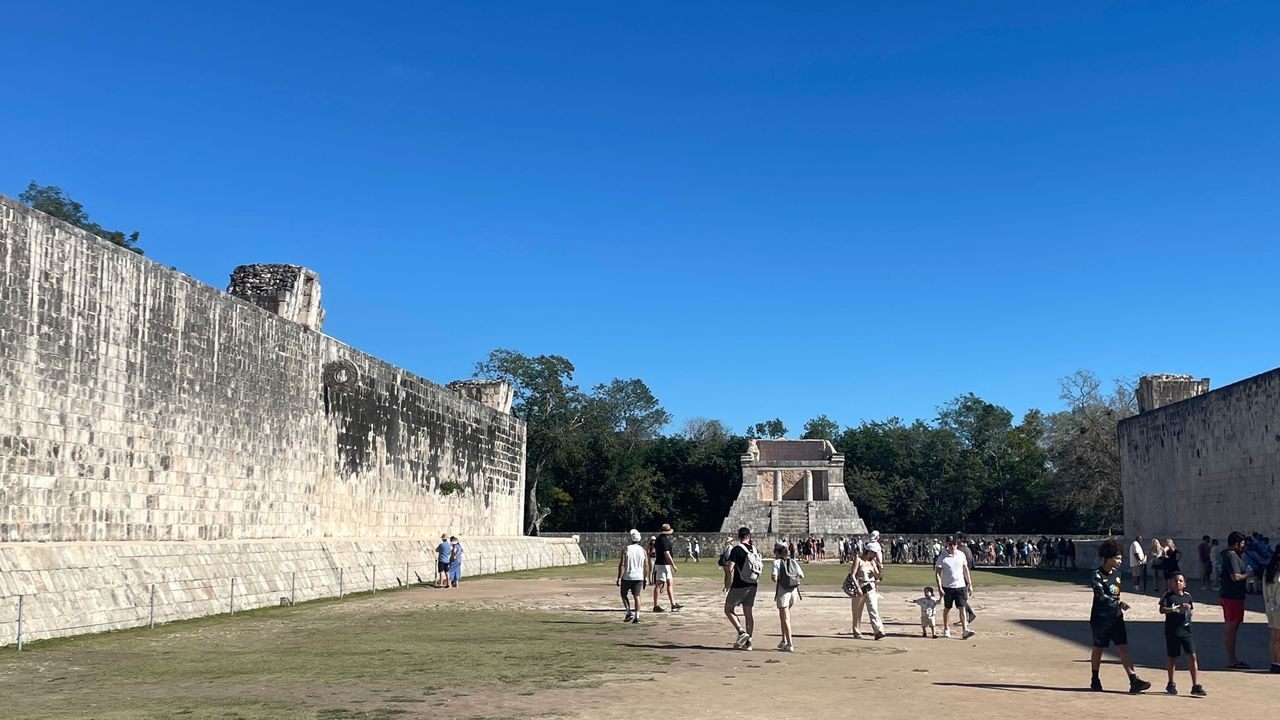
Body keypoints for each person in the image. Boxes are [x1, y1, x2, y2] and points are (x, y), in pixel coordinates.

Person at [1089, 541, 1151, 693]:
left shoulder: (1117, 574)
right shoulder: (1097, 575)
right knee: (1098, 648)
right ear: (1108, 558)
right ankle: (1095, 679)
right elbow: (1100, 596)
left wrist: (1118, 607)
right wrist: (1118, 604)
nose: (1120, 561)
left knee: (1123, 647)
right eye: (1117, 558)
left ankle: (1133, 680)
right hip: (1101, 617)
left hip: (1116, 617)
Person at [1159, 571, 1204, 696]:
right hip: (1172, 631)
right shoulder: (1168, 596)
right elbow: (1161, 610)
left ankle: (1195, 684)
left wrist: (1189, 612)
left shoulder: (1188, 596)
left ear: (1184, 584)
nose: (1177, 583)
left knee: (1192, 655)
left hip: (1186, 630)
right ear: (1171, 583)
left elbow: (1191, 609)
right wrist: (1176, 608)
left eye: (1180, 581)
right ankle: (1171, 683)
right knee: (1172, 657)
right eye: (1175, 580)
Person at [1219, 531, 1254, 668]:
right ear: (1236, 544)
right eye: (1242, 544)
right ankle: (1231, 660)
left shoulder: (1226, 554)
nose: (1243, 547)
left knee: (1230, 629)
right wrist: (1248, 574)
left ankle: (1232, 659)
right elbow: (1235, 577)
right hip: (1233, 597)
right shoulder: (1232, 556)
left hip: (1228, 596)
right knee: (1231, 629)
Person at [723, 526, 761, 650]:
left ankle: (741, 631)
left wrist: (727, 583)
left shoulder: (737, 550)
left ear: (739, 537)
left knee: (728, 609)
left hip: (740, 584)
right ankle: (748, 642)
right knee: (748, 613)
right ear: (749, 537)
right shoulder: (755, 550)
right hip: (753, 584)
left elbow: (730, 569)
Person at [935, 536, 974, 640]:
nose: (953, 546)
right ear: (947, 544)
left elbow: (965, 570)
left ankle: (965, 629)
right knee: (947, 608)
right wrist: (939, 587)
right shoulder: (942, 556)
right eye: (950, 544)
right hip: (947, 586)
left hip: (960, 585)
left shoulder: (961, 555)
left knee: (962, 608)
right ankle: (946, 629)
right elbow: (938, 573)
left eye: (954, 544)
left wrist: (970, 584)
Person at [771, 541, 803, 652]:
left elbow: (774, 578)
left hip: (783, 592)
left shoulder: (776, 563)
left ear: (777, 551)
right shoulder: (793, 561)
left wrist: (779, 576)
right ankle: (783, 640)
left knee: (785, 618)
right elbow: (801, 576)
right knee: (783, 616)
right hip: (794, 592)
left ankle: (790, 643)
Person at [848, 547, 885, 639]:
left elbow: (877, 576)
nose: (875, 555)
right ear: (869, 552)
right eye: (873, 553)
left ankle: (878, 631)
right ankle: (856, 631)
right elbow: (852, 575)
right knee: (857, 612)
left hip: (871, 587)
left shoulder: (873, 562)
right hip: (860, 586)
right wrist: (857, 587)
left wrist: (880, 569)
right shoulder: (859, 560)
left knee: (874, 609)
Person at [617, 529, 650, 623]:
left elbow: (622, 564)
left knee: (623, 594)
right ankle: (637, 616)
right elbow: (646, 565)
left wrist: (619, 577)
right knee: (637, 596)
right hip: (639, 576)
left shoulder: (626, 549)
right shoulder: (643, 550)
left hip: (627, 576)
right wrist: (645, 577)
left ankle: (628, 611)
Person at [651, 523, 681, 612]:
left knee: (670, 583)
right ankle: (655, 605)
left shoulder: (660, 539)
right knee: (659, 584)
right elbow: (666, 554)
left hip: (663, 564)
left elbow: (657, 552)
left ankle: (673, 604)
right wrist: (673, 565)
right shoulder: (663, 540)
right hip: (662, 564)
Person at [1263, 544, 1280, 673]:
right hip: (1278, 606)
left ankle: (1274, 662)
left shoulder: (1268, 570)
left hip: (1270, 607)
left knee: (1274, 636)